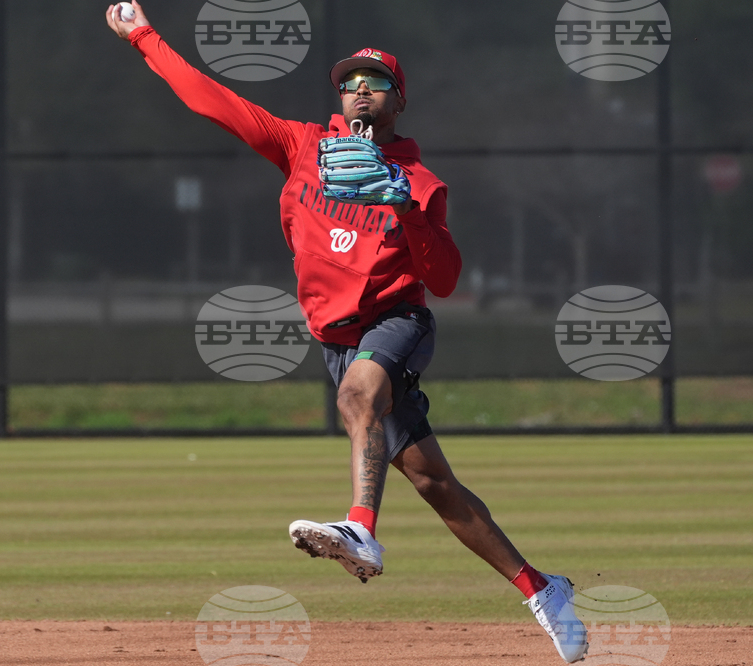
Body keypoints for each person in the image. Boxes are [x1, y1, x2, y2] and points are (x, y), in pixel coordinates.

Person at [106, 3, 588, 662]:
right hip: (337, 341)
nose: (361, 89)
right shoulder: (303, 145)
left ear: (399, 101)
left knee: (359, 396)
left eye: (376, 82)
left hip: (398, 322)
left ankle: (361, 528)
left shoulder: (418, 181)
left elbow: (443, 279)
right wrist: (142, 35)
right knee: (433, 483)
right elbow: (210, 99)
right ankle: (544, 587)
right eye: (350, 82)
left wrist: (403, 206)